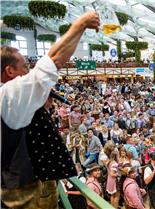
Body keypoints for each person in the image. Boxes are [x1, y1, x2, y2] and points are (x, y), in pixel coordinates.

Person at [1, 11, 99, 209]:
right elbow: (53, 62)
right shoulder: (8, 97)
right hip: (27, 191)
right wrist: (80, 24)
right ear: (9, 71)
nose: (28, 71)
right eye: (25, 67)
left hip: (24, 185)